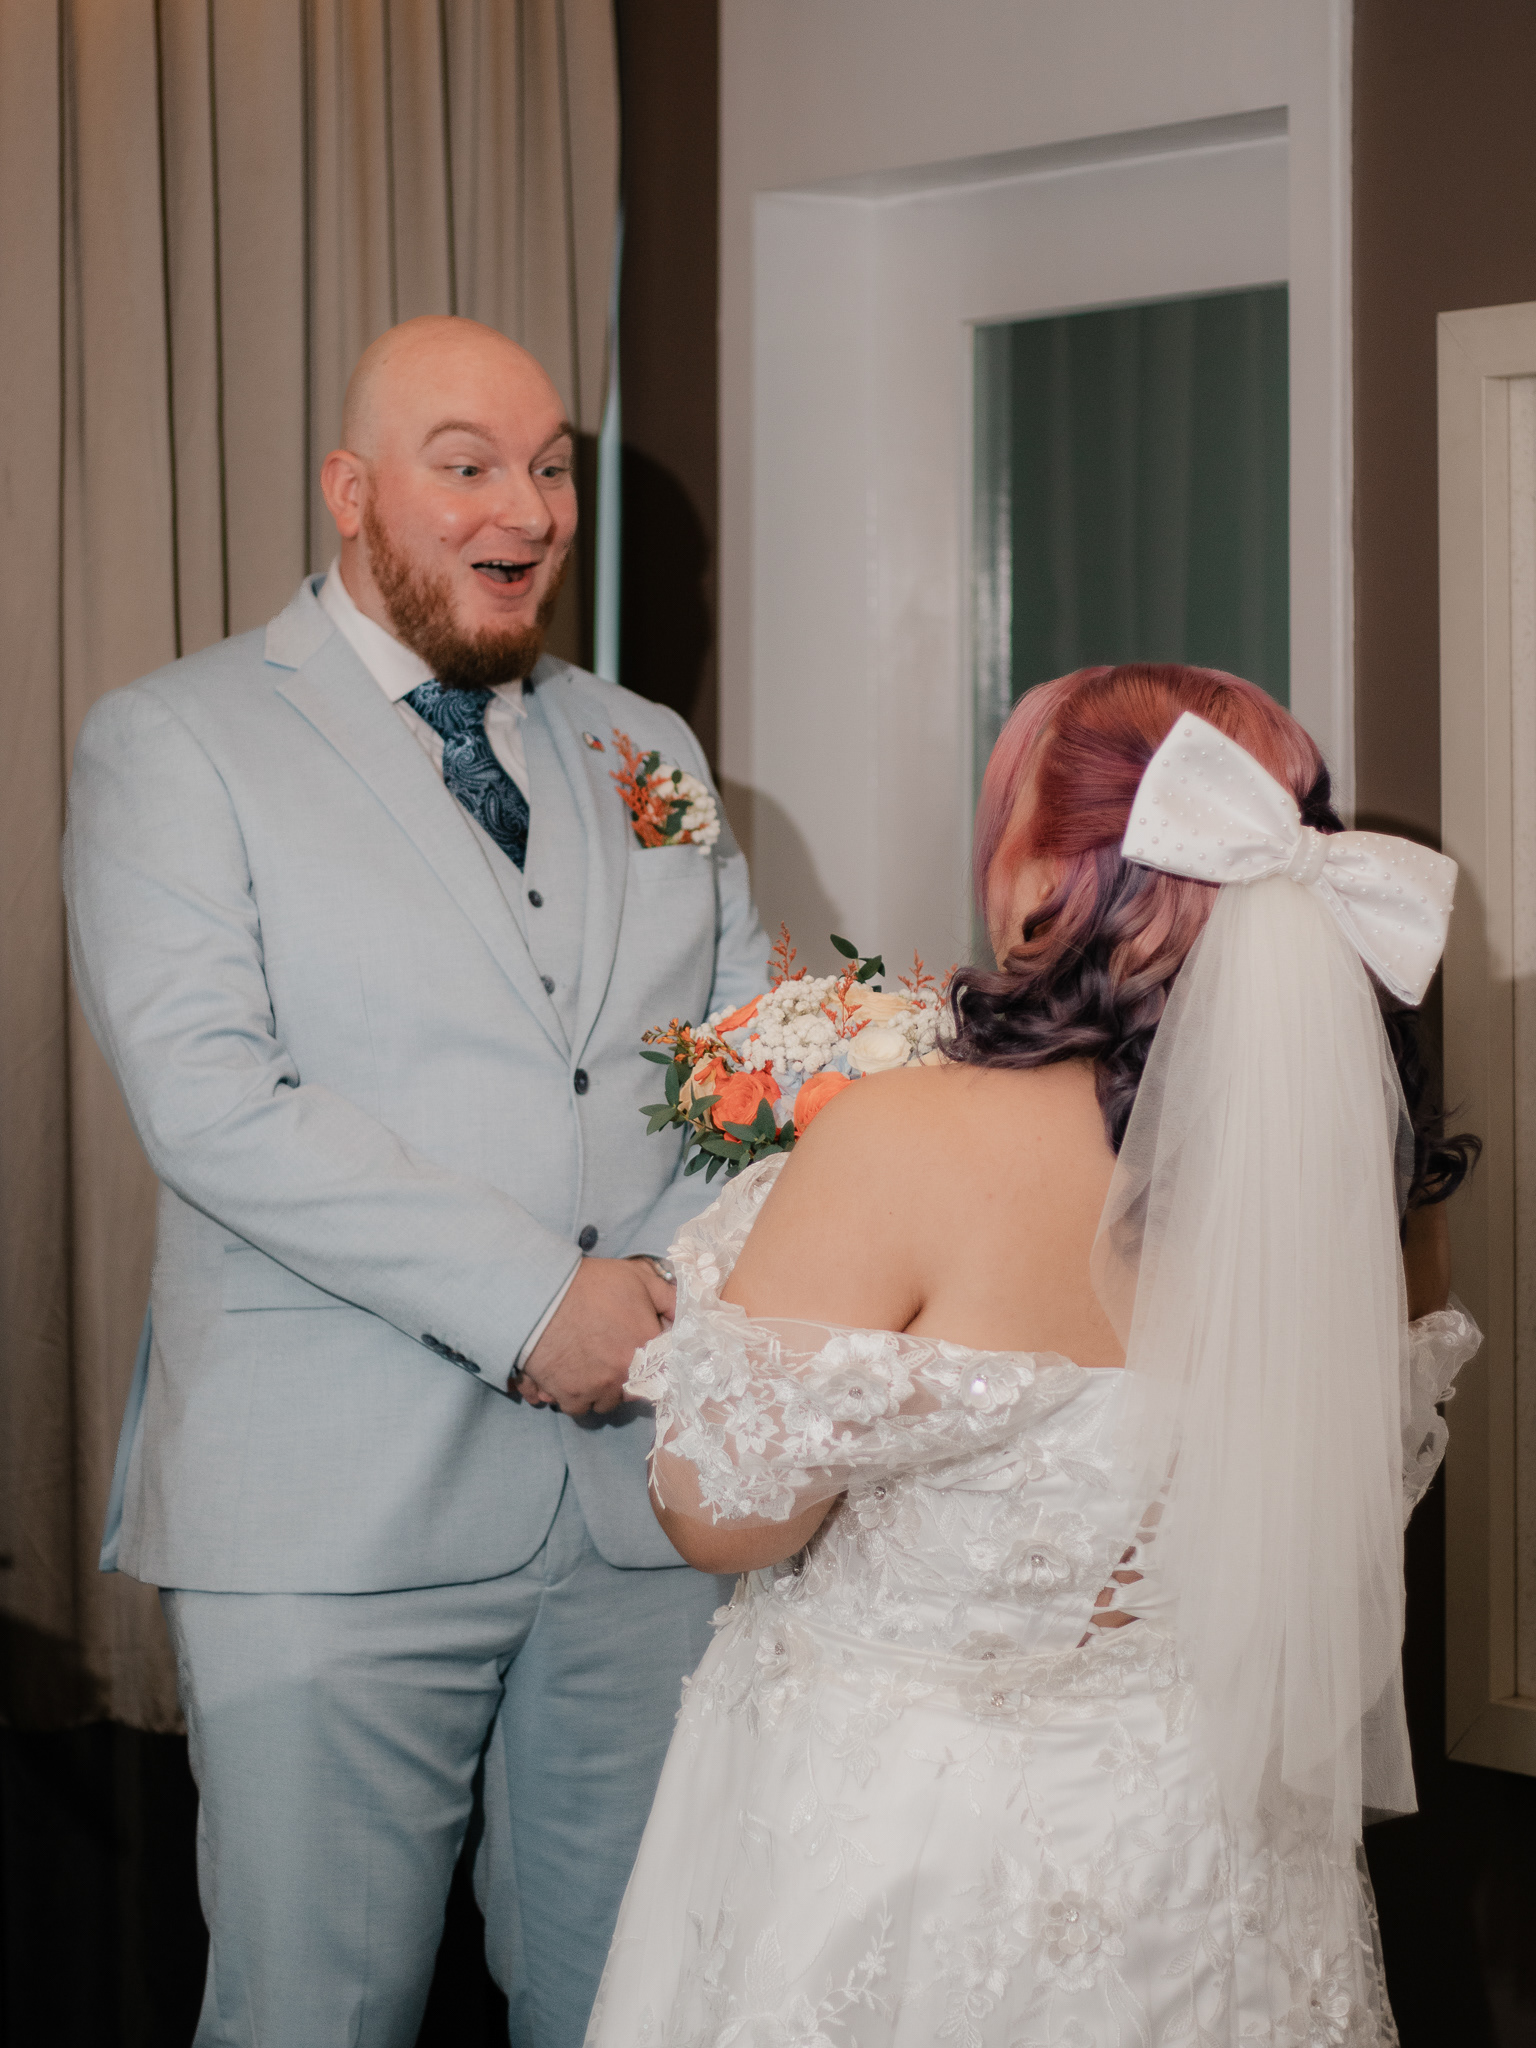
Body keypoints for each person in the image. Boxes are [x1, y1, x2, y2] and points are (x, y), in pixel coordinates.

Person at [585, 663, 1482, 2048]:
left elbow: (721, 1516)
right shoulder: (1368, 1176)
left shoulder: (904, 1141)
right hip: (1214, 1855)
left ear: (1052, 870)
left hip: (911, 1849)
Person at [62, 315, 767, 2048]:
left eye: (550, 468)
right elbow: (213, 1103)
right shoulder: (177, 739)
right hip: (331, 1518)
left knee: (639, 2007)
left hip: (639, 1513)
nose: (524, 508)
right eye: (467, 466)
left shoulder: (651, 753)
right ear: (351, 490)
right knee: (317, 2014)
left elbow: (744, 1067)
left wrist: (657, 1297)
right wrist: (538, 1304)